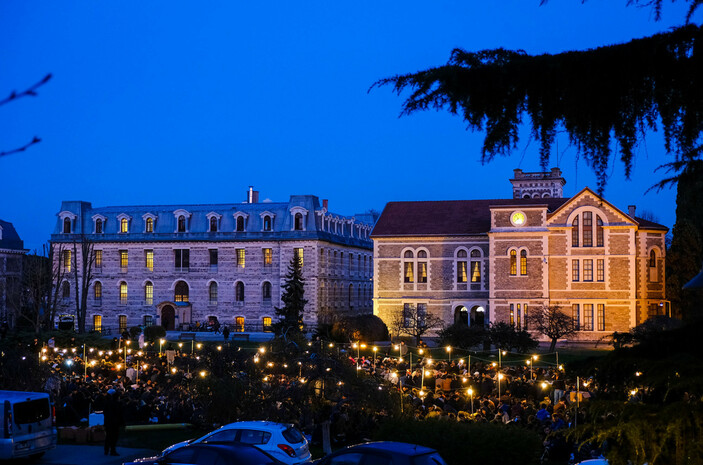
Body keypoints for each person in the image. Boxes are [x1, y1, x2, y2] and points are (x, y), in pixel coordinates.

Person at [103, 388, 124, 456]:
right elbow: (120, 414)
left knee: (108, 436)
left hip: (108, 422)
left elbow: (105, 412)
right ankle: (112, 450)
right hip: (115, 423)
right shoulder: (118, 404)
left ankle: (106, 450)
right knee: (114, 437)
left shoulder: (107, 403)